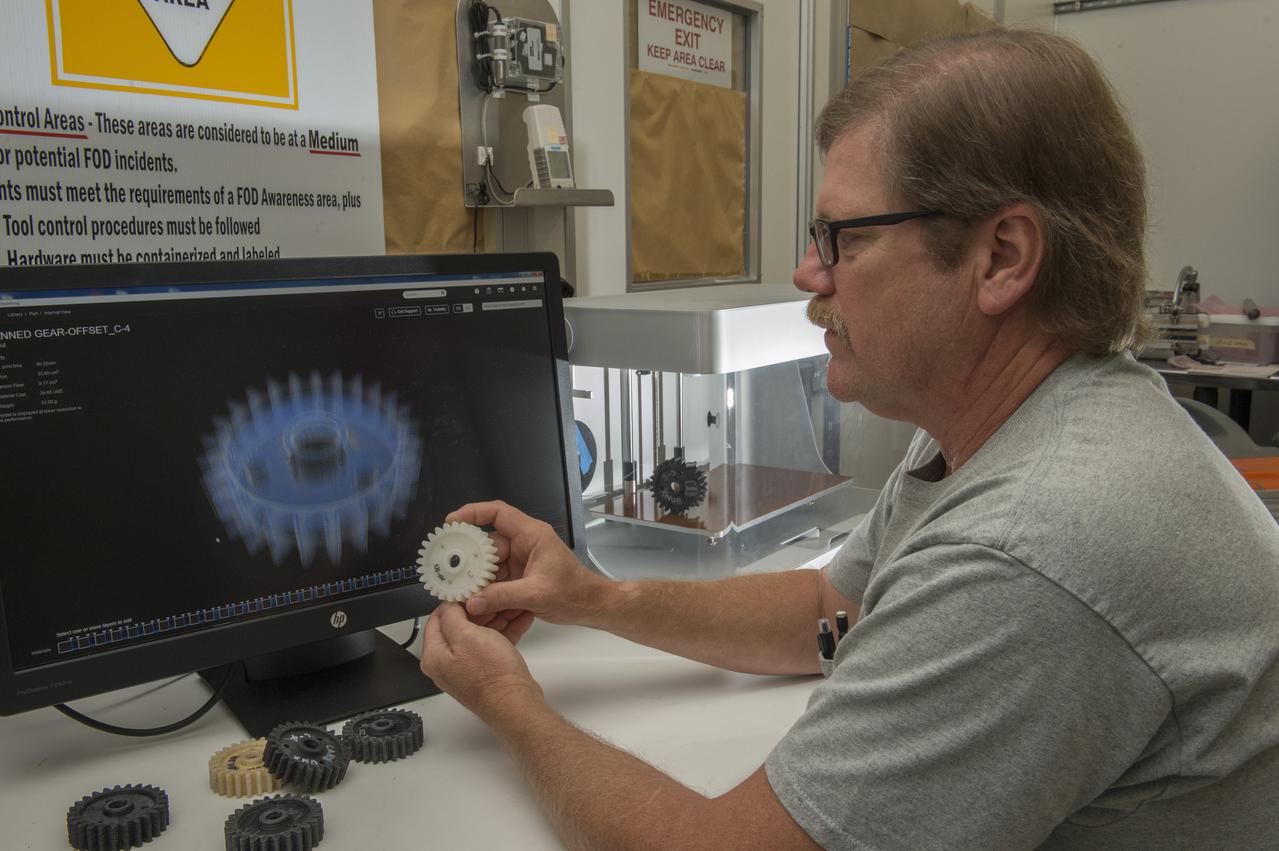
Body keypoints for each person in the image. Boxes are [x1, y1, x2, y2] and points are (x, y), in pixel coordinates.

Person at [420, 28, 1279, 849]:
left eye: (843, 236)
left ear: (1002, 257)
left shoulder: (1033, 546)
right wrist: (592, 597)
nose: (806, 272)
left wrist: (510, 706)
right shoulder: (1011, 416)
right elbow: (828, 608)